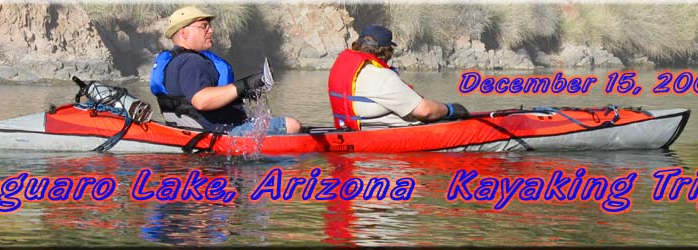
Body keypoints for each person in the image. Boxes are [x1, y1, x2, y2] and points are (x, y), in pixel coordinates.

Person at [150, 6, 301, 136]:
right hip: (220, 134)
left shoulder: (174, 62)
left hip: (199, 133)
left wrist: (242, 91)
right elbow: (201, 100)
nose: (211, 30)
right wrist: (245, 85)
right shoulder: (191, 62)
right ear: (184, 33)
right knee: (292, 125)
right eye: (204, 26)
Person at [328, 25, 470, 130]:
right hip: (388, 146)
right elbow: (425, 111)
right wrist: (450, 109)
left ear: (358, 45)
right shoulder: (381, 76)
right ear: (387, 51)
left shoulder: (345, 68)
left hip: (352, 131)